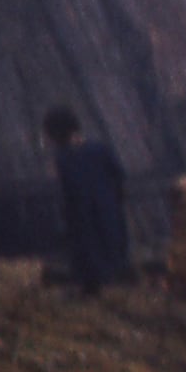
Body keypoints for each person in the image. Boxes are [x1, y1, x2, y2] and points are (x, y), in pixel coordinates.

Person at [41, 106, 130, 291]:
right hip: (107, 211)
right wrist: (115, 200)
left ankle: (94, 289)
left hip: (84, 216)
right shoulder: (99, 148)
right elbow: (119, 176)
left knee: (89, 258)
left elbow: (68, 191)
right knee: (111, 252)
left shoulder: (64, 158)